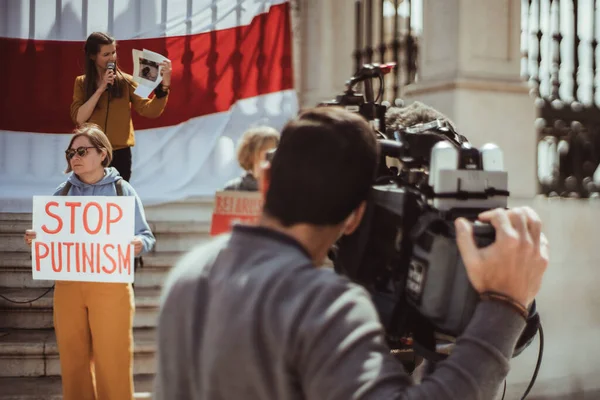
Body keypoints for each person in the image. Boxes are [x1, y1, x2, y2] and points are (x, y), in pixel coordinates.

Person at [153, 107, 549, 399]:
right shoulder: (325, 307)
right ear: (356, 216)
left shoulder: (190, 273)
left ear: (267, 179)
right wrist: (504, 305)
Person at [24, 124, 155, 400]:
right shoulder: (62, 191)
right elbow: (51, 235)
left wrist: (138, 243)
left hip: (111, 286)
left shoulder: (122, 190)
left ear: (103, 154)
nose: (75, 157)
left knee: (113, 358)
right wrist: (39, 238)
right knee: (73, 360)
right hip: (69, 286)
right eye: (71, 152)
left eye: (82, 151)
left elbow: (147, 236)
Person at [70, 31, 172, 182]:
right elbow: (79, 118)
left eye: (113, 52)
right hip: (91, 151)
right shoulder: (82, 83)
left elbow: (149, 110)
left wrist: (164, 88)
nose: (112, 58)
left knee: (118, 200)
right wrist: (101, 89)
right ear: (92, 56)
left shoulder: (126, 82)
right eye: (106, 54)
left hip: (120, 153)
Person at [223, 126, 280, 191]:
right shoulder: (232, 190)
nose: (271, 157)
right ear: (250, 155)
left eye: (274, 153)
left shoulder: (285, 191)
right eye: (266, 153)